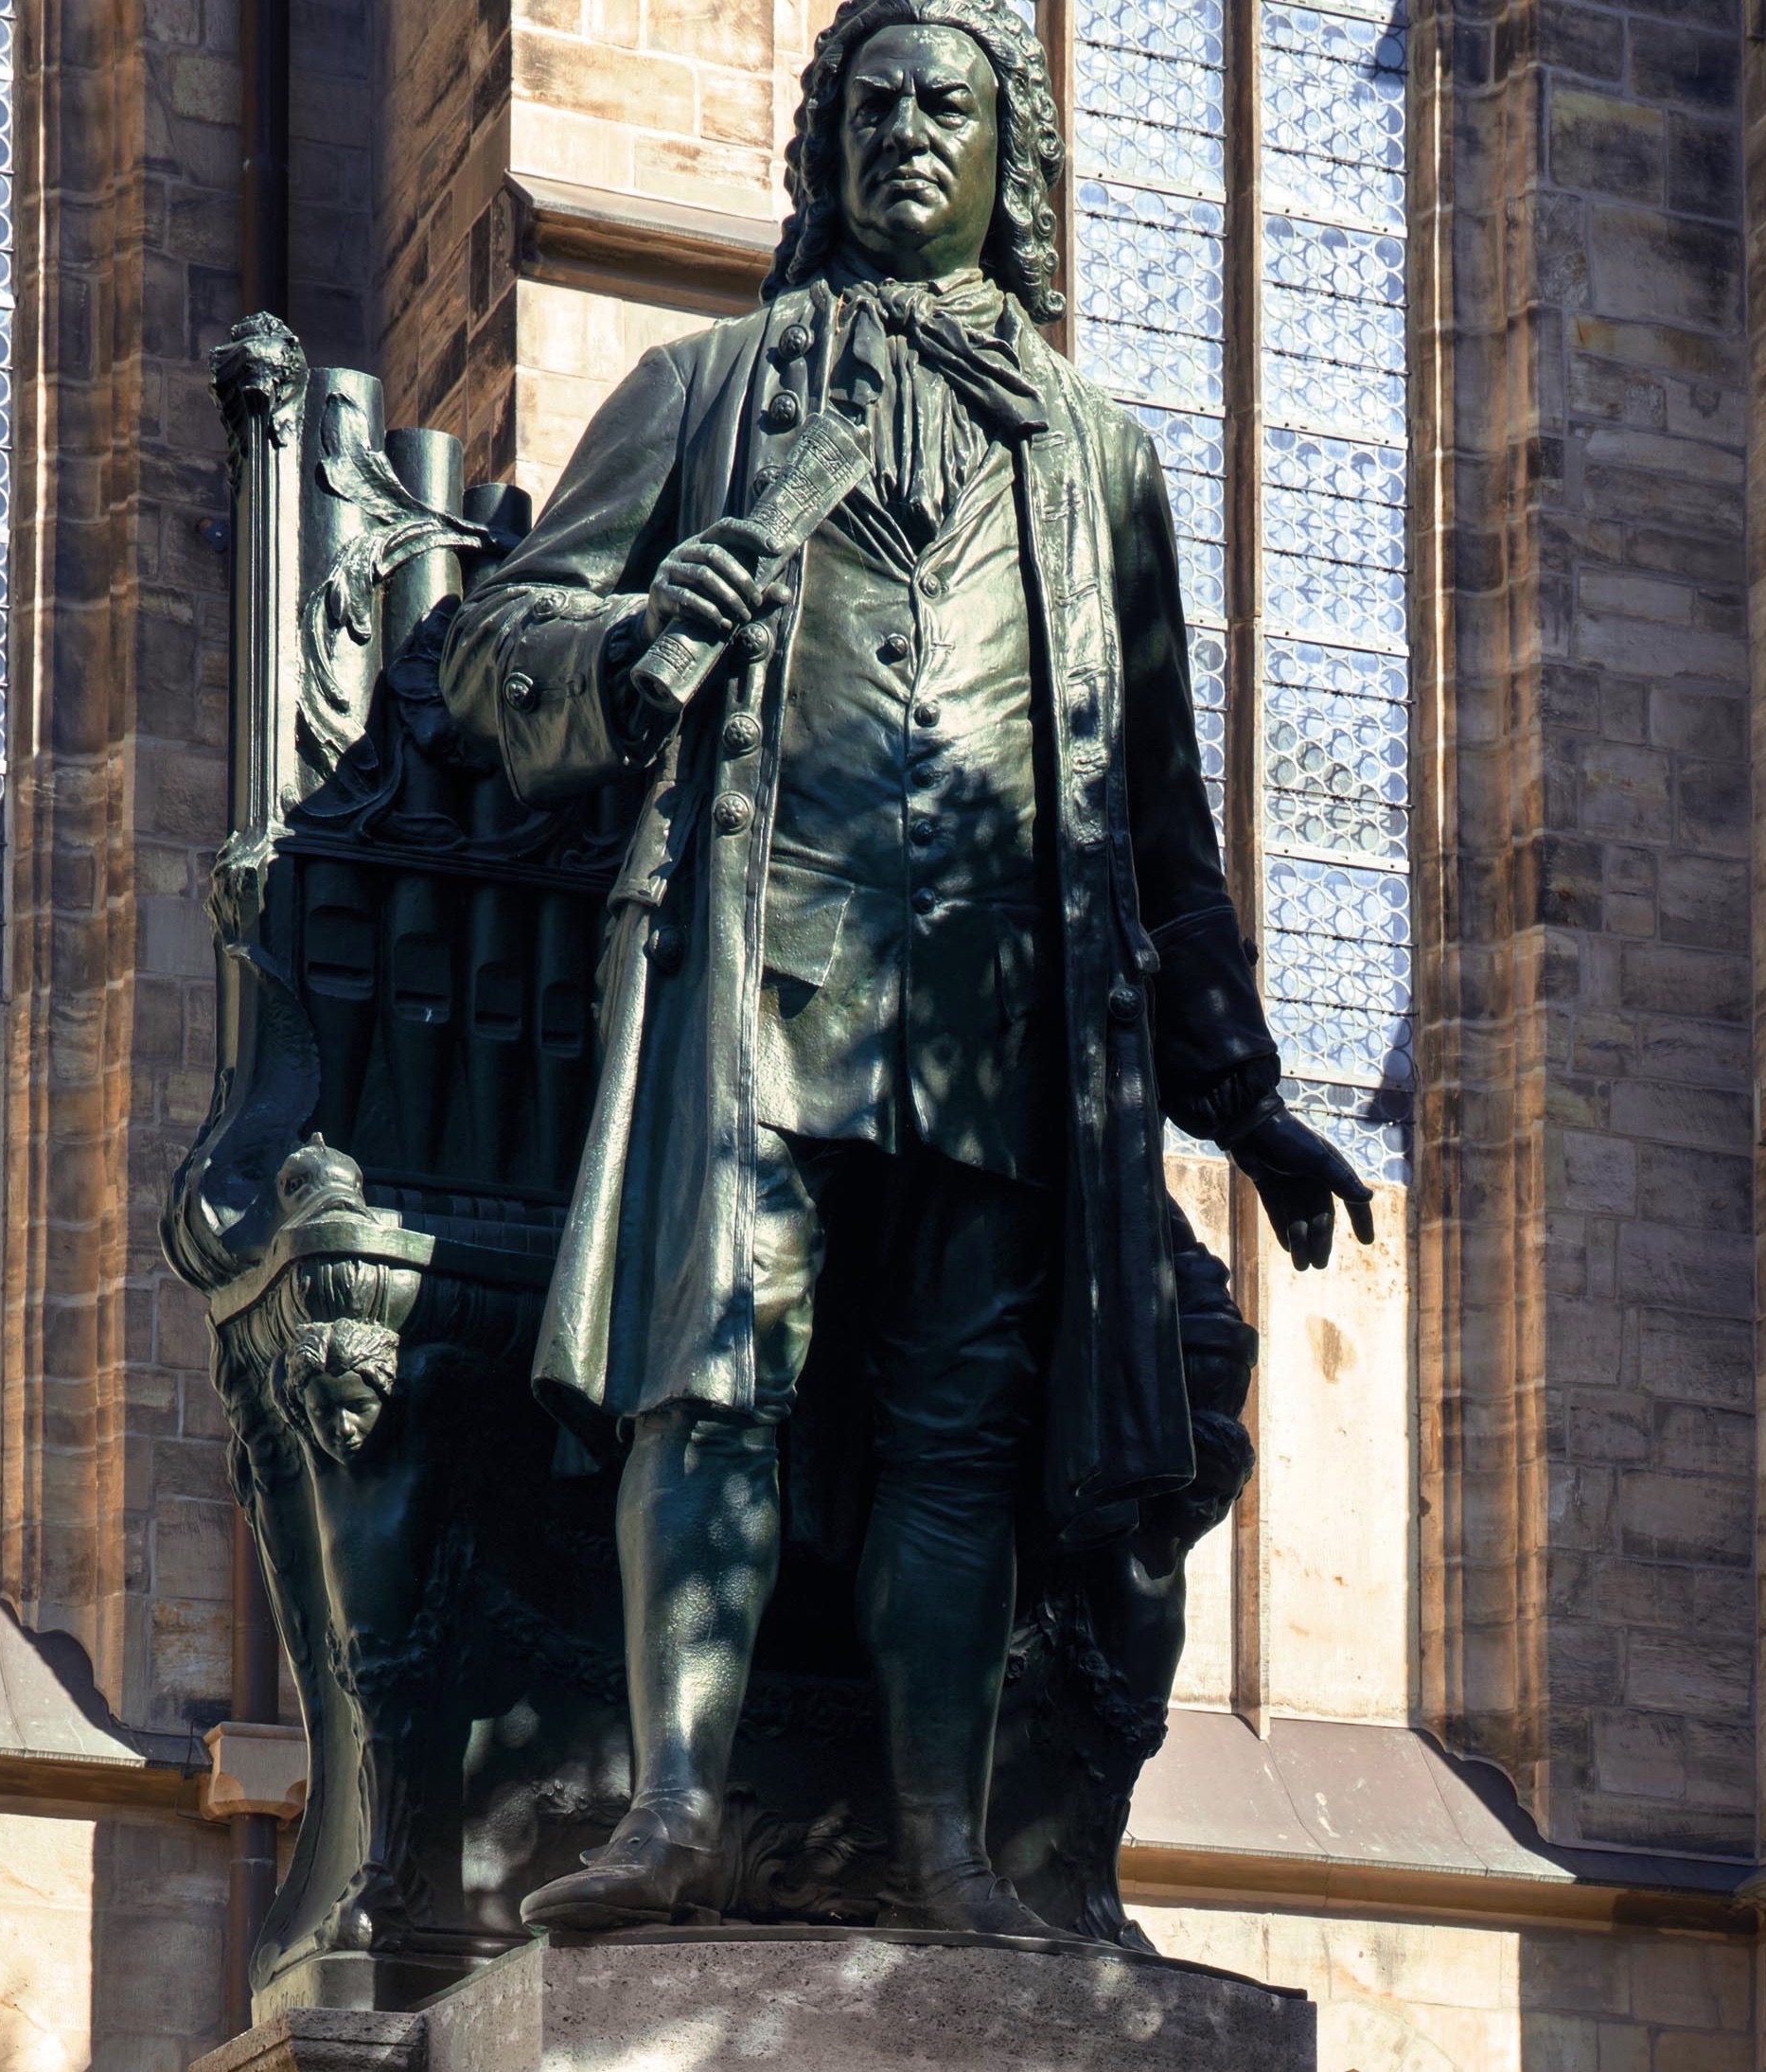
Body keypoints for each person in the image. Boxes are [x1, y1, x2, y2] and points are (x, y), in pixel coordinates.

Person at [437, 0, 1374, 1936]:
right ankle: (674, 1815)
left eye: (945, 106)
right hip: (746, 987)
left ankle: (945, 1851)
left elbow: (1158, 807)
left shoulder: (1096, 460)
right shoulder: (704, 392)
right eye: (866, 109)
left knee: (960, 1429)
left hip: (995, 1020)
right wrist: (624, 638)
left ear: (1008, 153)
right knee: (710, 1383)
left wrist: (1245, 1092)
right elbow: (491, 645)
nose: (903, 138)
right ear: (822, 146)